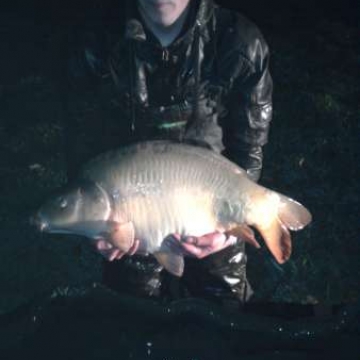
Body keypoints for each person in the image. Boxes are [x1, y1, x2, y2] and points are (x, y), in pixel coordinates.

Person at [59, 0, 273, 304]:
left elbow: (249, 148)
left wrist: (228, 229)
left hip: (211, 207)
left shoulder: (239, 41)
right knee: (134, 325)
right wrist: (94, 225)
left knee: (223, 321)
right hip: (131, 220)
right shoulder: (93, 42)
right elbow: (82, 146)